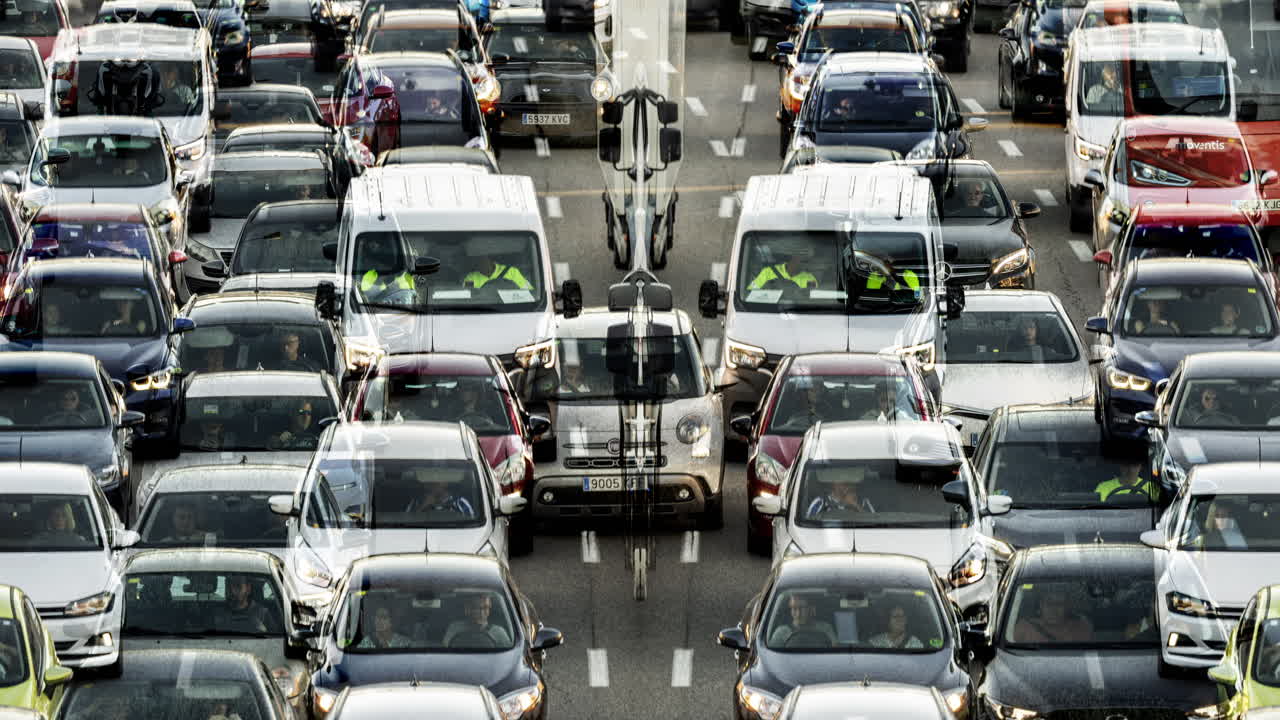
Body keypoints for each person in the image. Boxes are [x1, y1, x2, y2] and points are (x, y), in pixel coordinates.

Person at [1013, 592, 1093, 643]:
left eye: (1059, 604)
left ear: (1067, 607)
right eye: (1049, 603)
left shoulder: (1080, 627)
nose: (1053, 609)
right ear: (1041, 605)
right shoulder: (1024, 627)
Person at [442, 593, 512, 648]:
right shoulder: (455, 628)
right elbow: (445, 651)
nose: (481, 613)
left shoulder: (498, 632)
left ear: (490, 608)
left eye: (485, 608)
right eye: (477, 608)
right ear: (467, 609)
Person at [767, 593, 837, 648]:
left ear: (811, 609)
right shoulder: (781, 632)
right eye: (794, 608)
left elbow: (834, 651)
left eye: (802, 608)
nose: (798, 614)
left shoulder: (825, 629)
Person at [358, 234, 415, 299]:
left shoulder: (403, 280)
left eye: (375, 246)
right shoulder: (367, 274)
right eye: (370, 245)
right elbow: (360, 292)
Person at [806, 468, 876, 517]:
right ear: (833, 483)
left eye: (849, 480)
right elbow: (809, 526)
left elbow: (873, 520)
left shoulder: (863, 501)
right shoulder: (821, 502)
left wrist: (856, 505)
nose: (845, 484)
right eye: (840, 480)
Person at [748, 244, 818, 290]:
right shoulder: (768, 272)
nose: (802, 264)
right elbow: (751, 292)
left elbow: (811, 299)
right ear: (792, 258)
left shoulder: (810, 278)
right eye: (800, 259)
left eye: (805, 261)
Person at [406, 473, 475, 517]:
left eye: (438, 482)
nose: (434, 483)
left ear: (446, 483)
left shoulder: (460, 502)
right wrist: (423, 505)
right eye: (430, 481)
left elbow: (471, 522)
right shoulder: (417, 501)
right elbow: (408, 520)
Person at [1093, 461, 1158, 503]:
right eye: (1126, 465)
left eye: (1134, 464)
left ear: (1140, 466)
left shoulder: (1152, 488)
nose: (1130, 469)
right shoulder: (1103, 487)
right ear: (1120, 466)